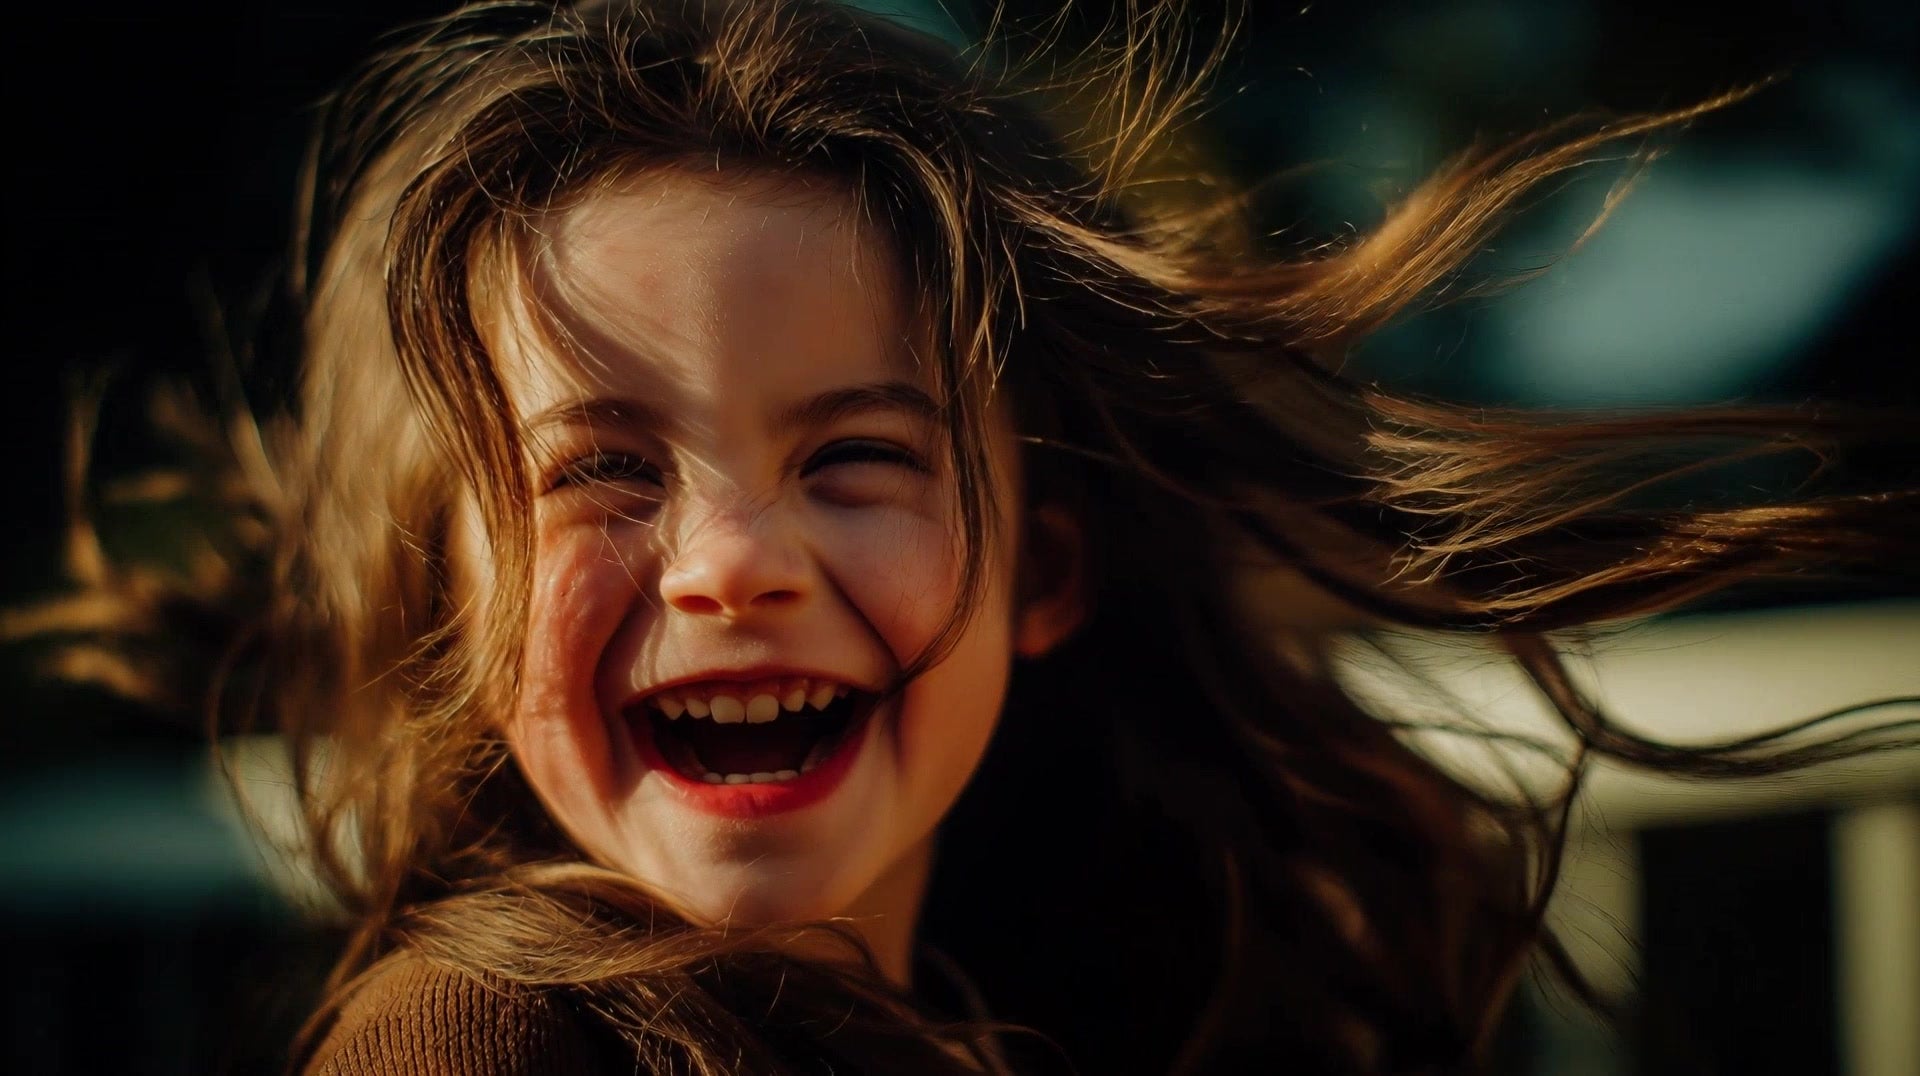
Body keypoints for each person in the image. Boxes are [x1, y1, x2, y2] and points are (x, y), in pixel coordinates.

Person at [24, 0, 1917, 1072]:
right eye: (600, 472)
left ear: (1050, 572)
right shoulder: (482, 1044)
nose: (731, 560)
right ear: (451, 591)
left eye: (856, 459)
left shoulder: (1084, 1017)